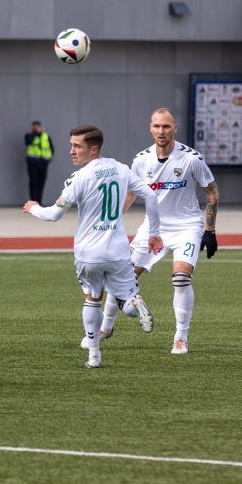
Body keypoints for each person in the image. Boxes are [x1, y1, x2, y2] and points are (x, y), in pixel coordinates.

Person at [23, 125, 163, 369]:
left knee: (93, 298)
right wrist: (153, 234)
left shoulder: (80, 178)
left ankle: (94, 357)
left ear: (94, 149)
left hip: (88, 253)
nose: (71, 151)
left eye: (77, 146)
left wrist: (32, 208)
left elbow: (54, 215)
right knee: (127, 299)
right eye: (71, 145)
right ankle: (135, 304)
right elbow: (150, 197)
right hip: (118, 250)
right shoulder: (121, 169)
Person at [102, 108, 220, 355]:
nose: (161, 131)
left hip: (187, 226)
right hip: (152, 227)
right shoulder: (141, 160)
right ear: (150, 128)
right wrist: (113, 222)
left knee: (180, 278)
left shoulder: (191, 158)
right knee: (121, 278)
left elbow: (211, 192)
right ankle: (106, 327)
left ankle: (180, 338)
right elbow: (132, 193)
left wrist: (210, 229)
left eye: (166, 126)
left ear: (175, 128)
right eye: (156, 126)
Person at [25, 121, 53, 205]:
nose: (36, 128)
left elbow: (51, 149)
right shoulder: (29, 136)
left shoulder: (46, 136)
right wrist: (34, 133)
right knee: (33, 183)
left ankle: (39, 202)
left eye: (37, 127)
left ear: (41, 127)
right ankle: (33, 202)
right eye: (34, 127)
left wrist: (48, 160)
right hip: (32, 164)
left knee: (41, 183)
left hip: (43, 164)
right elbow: (28, 142)